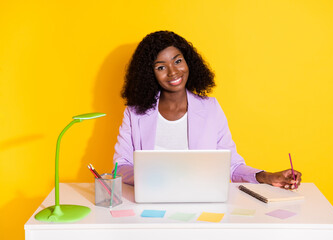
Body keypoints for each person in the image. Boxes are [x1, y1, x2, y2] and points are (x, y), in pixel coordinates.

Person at [113, 30, 301, 189]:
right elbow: (120, 166)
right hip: (152, 198)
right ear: (148, 73)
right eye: (161, 67)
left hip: (200, 199)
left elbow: (232, 165)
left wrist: (267, 177)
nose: (173, 72)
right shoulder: (134, 113)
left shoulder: (210, 108)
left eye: (178, 61)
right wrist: (148, 178)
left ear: (188, 62)